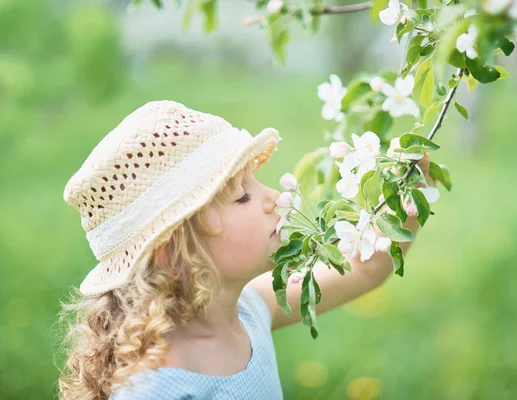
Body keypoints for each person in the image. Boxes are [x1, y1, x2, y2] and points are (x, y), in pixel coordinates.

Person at [57, 100, 434, 400]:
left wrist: (405, 204)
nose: (272, 197)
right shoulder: (157, 387)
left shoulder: (251, 309)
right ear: (173, 255)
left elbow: (363, 269)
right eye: (241, 197)